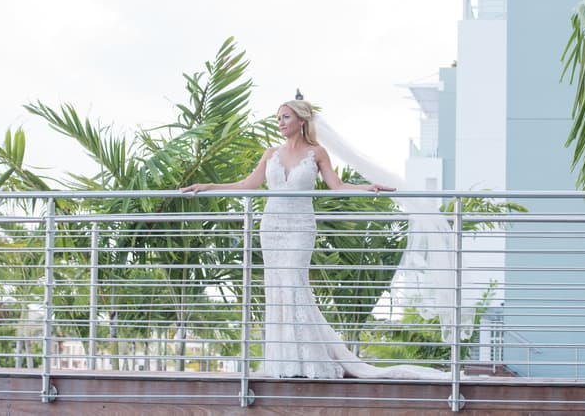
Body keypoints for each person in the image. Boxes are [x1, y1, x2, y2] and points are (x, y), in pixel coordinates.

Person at [181, 98, 449, 380]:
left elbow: (337, 186)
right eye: (278, 118)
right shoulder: (271, 153)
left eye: (285, 117)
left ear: (301, 120)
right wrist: (208, 186)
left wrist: (367, 188)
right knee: (277, 288)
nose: (281, 123)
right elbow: (249, 184)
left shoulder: (317, 152)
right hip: (271, 228)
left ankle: (309, 359)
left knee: (295, 284)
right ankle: (283, 361)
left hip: (299, 228)